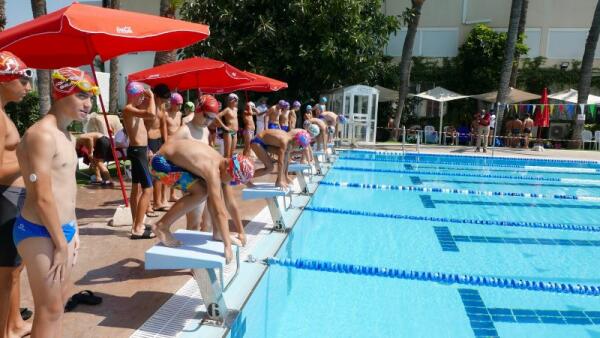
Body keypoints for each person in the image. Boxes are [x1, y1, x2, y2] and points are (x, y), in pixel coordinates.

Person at [14, 67, 97, 337]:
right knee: (48, 310)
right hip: (40, 232)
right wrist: (61, 243)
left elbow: (66, 189)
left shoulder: (66, 134)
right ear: (61, 93)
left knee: (57, 307)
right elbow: (42, 196)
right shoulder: (42, 135)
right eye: (82, 96)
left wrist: (75, 228)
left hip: (64, 230)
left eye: (92, 97)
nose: (89, 104)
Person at [150, 140, 254, 263]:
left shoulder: (225, 164)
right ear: (229, 170)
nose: (232, 184)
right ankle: (161, 226)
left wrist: (241, 231)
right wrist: (227, 246)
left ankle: (218, 233)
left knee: (211, 189)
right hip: (159, 164)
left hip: (168, 159)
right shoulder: (212, 170)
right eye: (234, 181)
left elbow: (231, 203)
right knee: (201, 192)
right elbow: (219, 211)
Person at [0, 51, 33, 338]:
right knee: (6, 271)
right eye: (22, 79)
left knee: (14, 267)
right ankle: (6, 330)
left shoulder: (2, 112)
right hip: (4, 197)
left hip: (11, 196)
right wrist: (29, 160)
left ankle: (15, 323)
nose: (28, 87)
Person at [122, 81, 156, 239]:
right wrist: (152, 97)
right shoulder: (128, 109)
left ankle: (136, 222)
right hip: (137, 151)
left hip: (140, 150)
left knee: (136, 188)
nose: (142, 98)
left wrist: (147, 100)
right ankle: (138, 228)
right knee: (148, 189)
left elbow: (148, 120)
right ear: (133, 95)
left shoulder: (134, 110)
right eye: (140, 96)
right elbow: (152, 114)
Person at [165, 93, 183, 202]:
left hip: (178, 145)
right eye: (178, 104)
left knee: (176, 171)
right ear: (172, 103)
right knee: (166, 171)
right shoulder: (165, 114)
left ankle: (172, 194)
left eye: (181, 104)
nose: (180, 106)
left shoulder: (180, 114)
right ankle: (162, 196)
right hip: (168, 144)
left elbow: (180, 128)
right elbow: (164, 130)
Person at [214, 93, 239, 158]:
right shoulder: (227, 109)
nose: (237, 102)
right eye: (235, 100)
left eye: (237, 101)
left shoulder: (236, 109)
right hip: (228, 132)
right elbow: (216, 116)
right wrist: (224, 126)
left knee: (232, 153)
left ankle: (229, 167)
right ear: (231, 101)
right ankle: (224, 168)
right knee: (227, 154)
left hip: (235, 132)